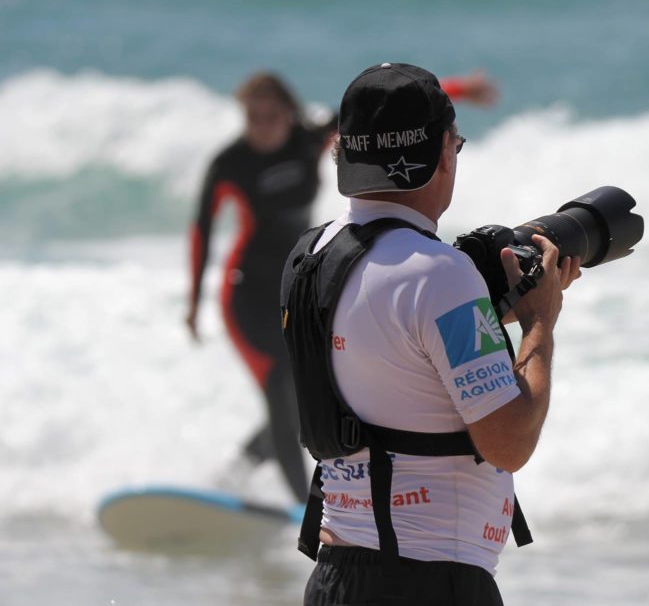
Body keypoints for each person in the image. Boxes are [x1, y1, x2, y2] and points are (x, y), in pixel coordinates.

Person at [280, 62, 580, 605]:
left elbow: (393, 352)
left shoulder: (311, 255)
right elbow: (508, 443)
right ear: (444, 152)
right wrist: (540, 320)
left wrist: (488, 315)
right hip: (427, 582)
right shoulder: (438, 274)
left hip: (336, 576)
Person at [186, 69, 500, 502]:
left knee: (307, 393)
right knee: (284, 390)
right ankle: (301, 506)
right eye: (252, 117)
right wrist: (192, 304)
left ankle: (237, 473)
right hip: (245, 297)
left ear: (288, 111)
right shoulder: (231, 161)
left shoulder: (308, 139)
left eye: (271, 115)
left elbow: (392, 107)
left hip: (295, 285)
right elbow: (201, 231)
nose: (262, 126)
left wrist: (463, 89)